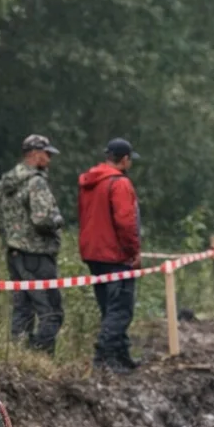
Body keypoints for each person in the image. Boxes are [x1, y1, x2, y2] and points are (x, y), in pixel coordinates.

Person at [0, 134, 66, 354]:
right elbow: (42, 219)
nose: (49, 160)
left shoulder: (4, 183)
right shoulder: (37, 182)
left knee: (23, 309)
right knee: (51, 312)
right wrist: (58, 220)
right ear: (33, 154)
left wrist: (12, 238)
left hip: (14, 254)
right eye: (46, 154)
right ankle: (40, 357)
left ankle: (19, 356)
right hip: (38, 255)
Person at [78, 137, 142, 373]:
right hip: (115, 255)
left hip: (93, 253)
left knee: (109, 306)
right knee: (121, 309)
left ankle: (121, 355)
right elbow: (126, 222)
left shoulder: (90, 182)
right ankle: (105, 359)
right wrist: (133, 252)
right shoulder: (120, 184)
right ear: (124, 160)